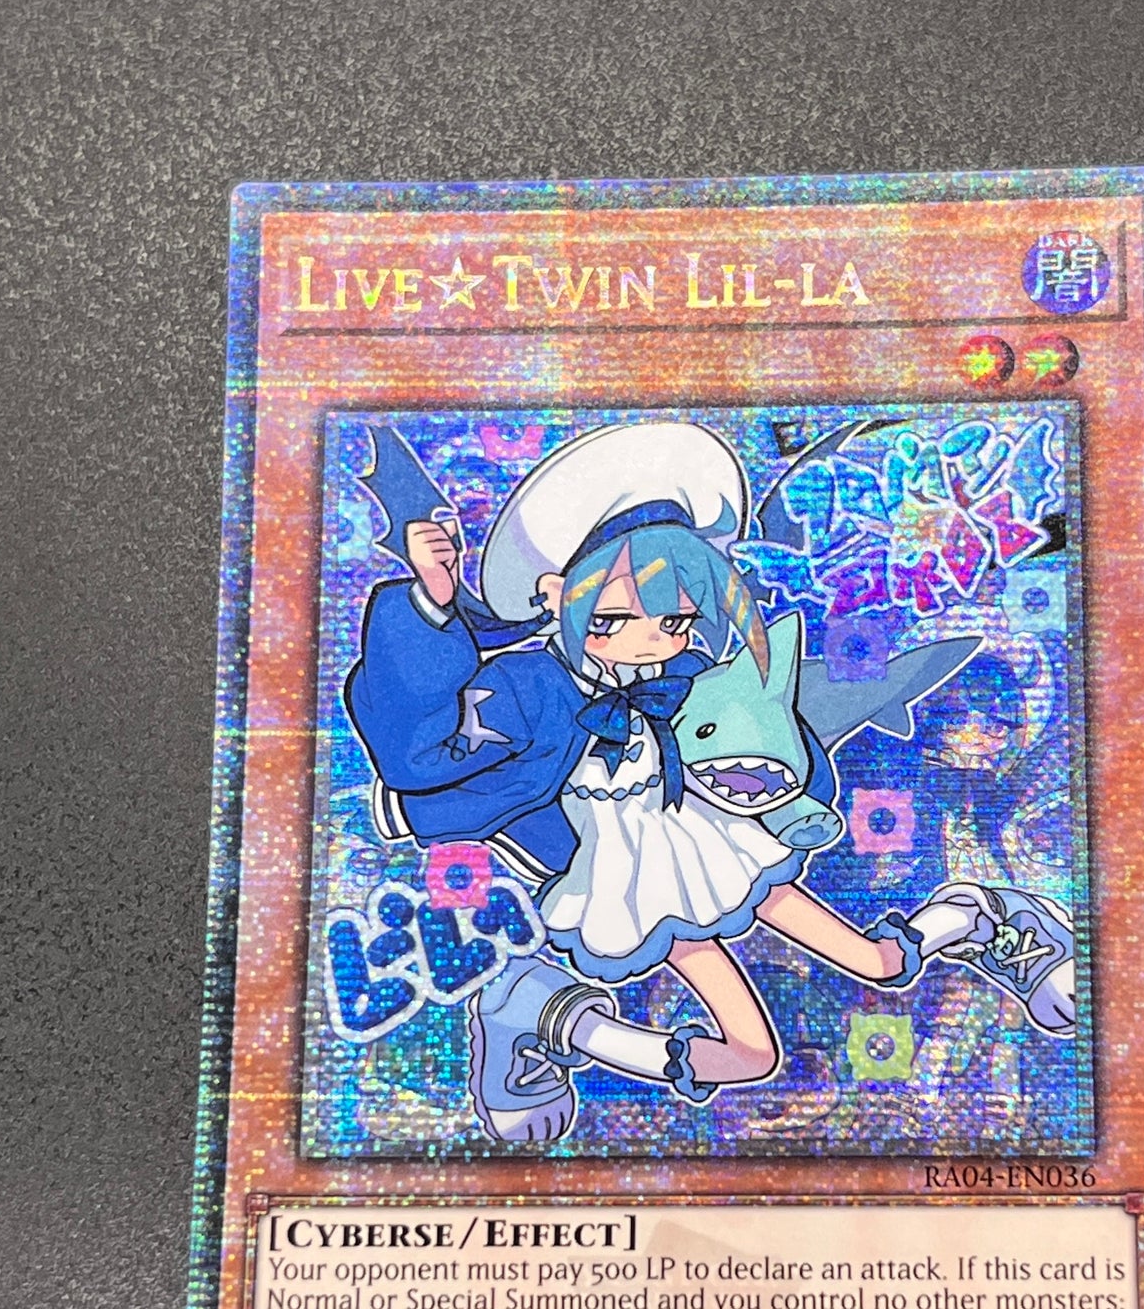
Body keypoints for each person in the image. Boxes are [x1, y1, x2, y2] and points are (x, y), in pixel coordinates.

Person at [345, 420, 1072, 1143]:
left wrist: (785, 797)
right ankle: (536, 1012)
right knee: (752, 1057)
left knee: (881, 964)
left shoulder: (688, 674)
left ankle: (981, 916)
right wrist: (429, 609)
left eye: (674, 621)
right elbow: (418, 752)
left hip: (721, 846)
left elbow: (766, 735)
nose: (654, 640)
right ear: (558, 592)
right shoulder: (529, 688)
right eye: (617, 617)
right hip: (630, 879)